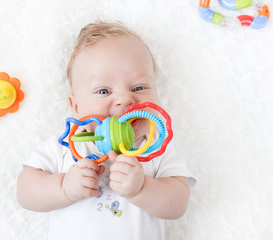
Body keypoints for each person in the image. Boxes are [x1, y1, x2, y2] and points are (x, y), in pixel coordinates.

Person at [17, 21, 196, 240]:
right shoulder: (67, 144)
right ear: (76, 107)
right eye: (103, 91)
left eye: (139, 88)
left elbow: (177, 205)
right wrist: (64, 187)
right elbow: (25, 192)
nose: (124, 99)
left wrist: (142, 189)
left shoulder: (155, 146)